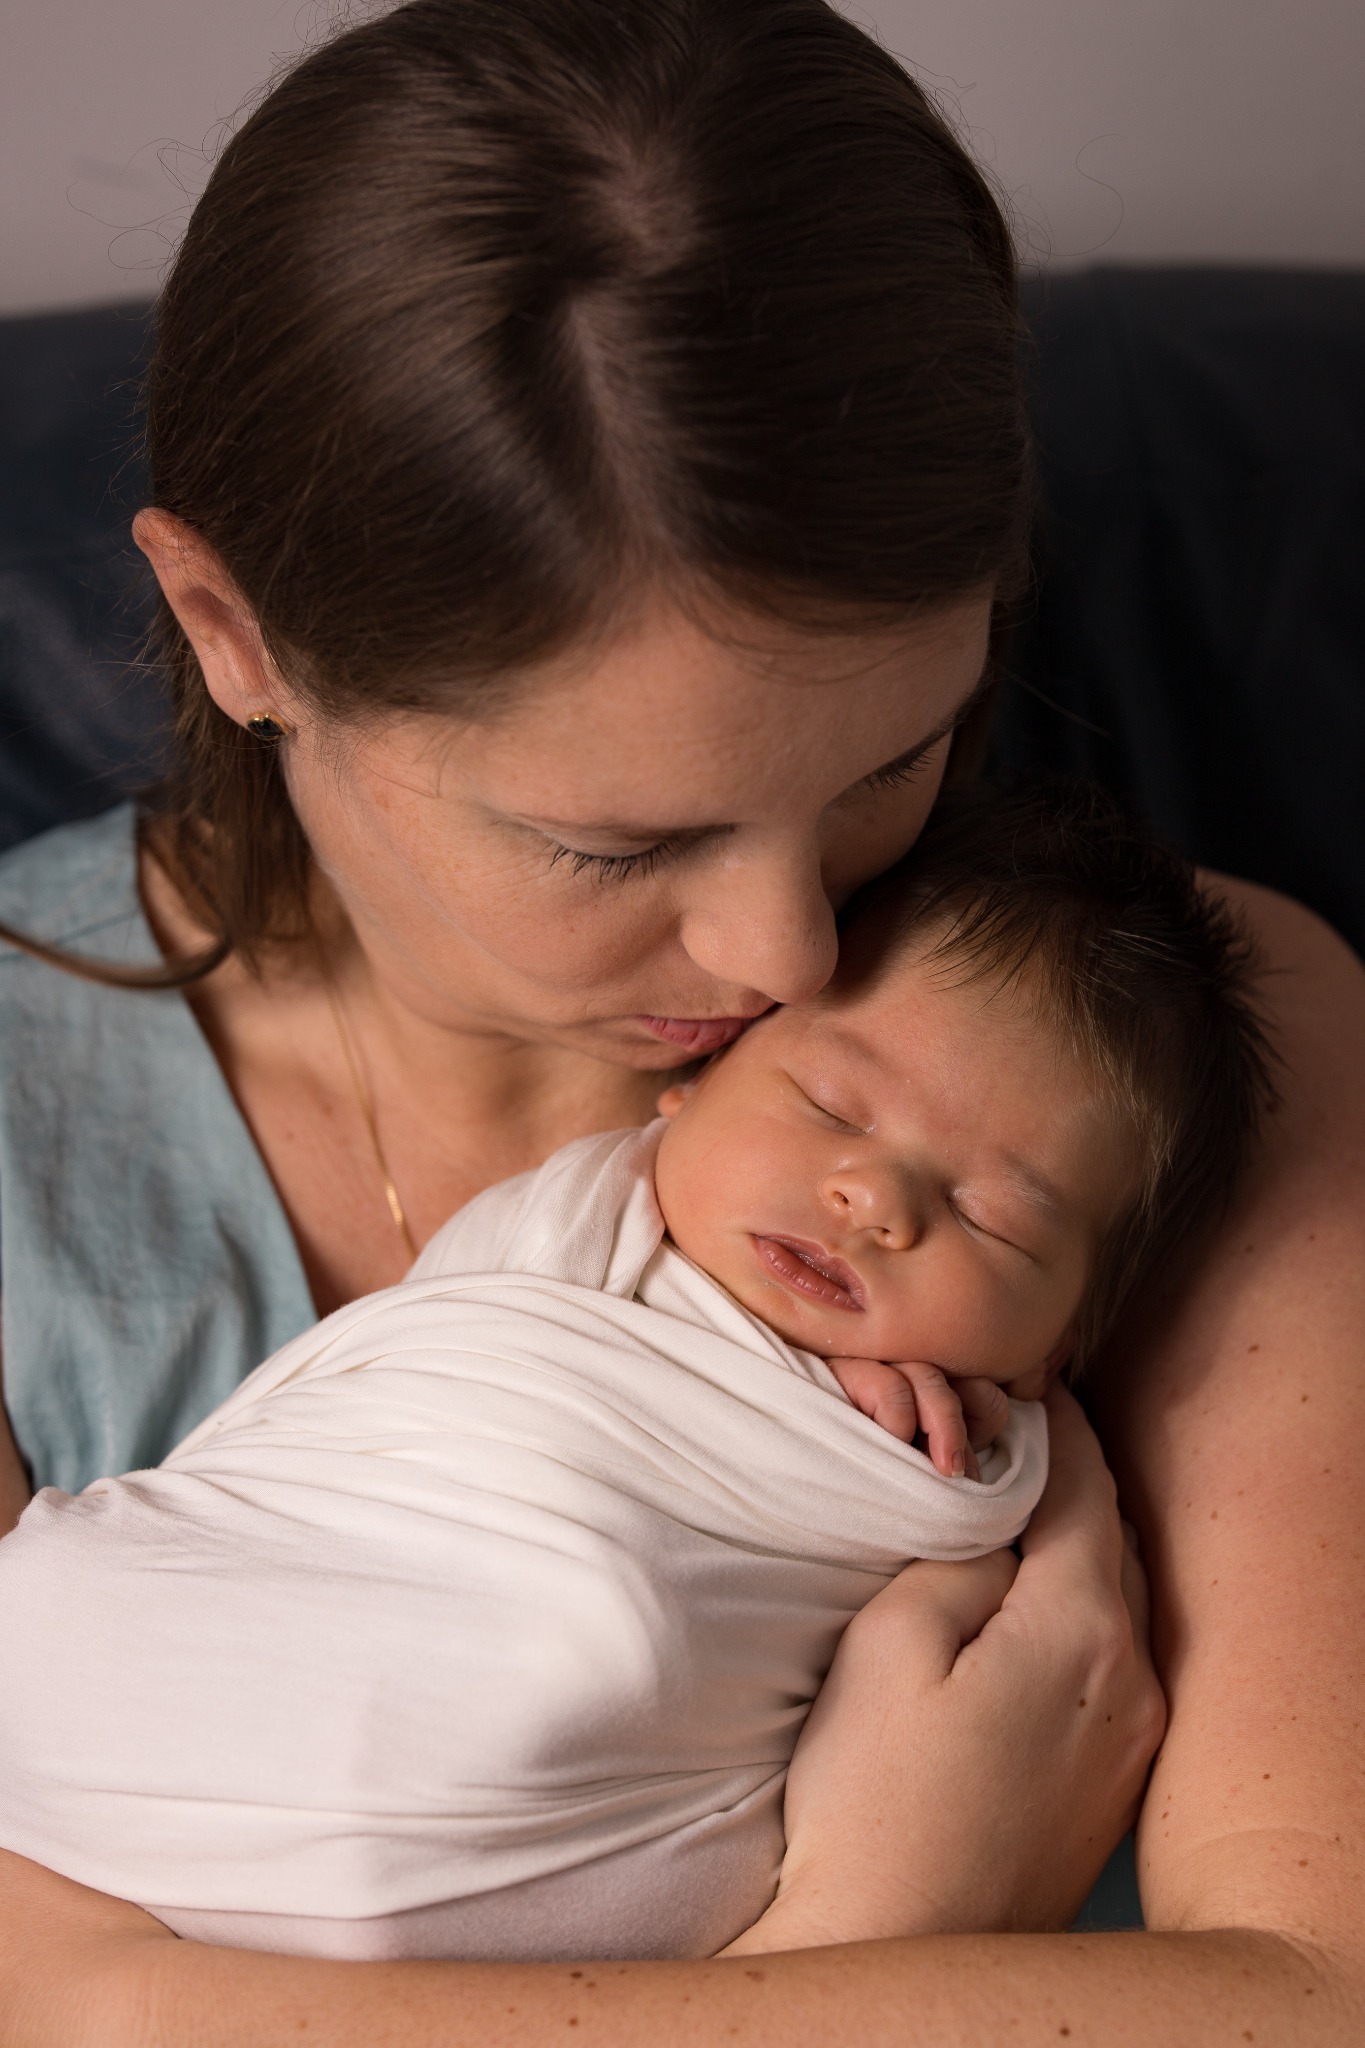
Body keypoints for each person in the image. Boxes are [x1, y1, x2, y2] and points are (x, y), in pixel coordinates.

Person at [0, 3, 1362, 2042]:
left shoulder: (1187, 1053)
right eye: (614, 841)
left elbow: (1320, 1992)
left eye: (892, 758)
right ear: (231, 634)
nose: (791, 949)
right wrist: (875, 1920)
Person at [0, 782, 1271, 1965]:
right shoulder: (569, 1225)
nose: (874, 1197)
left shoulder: (975, 1446)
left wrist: (920, 1470)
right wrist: (875, 1919)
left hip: (558, 1794)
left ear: (1057, 1348)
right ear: (687, 1091)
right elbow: (409, 1394)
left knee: (596, 1655)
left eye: (993, 1218)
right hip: (227, 1699)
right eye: (832, 1107)